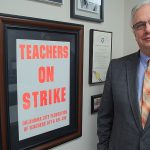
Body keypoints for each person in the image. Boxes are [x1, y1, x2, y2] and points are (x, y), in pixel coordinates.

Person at [97, 0, 150, 150]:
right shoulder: (117, 67)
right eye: (140, 25)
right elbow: (104, 118)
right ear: (134, 32)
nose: (147, 29)